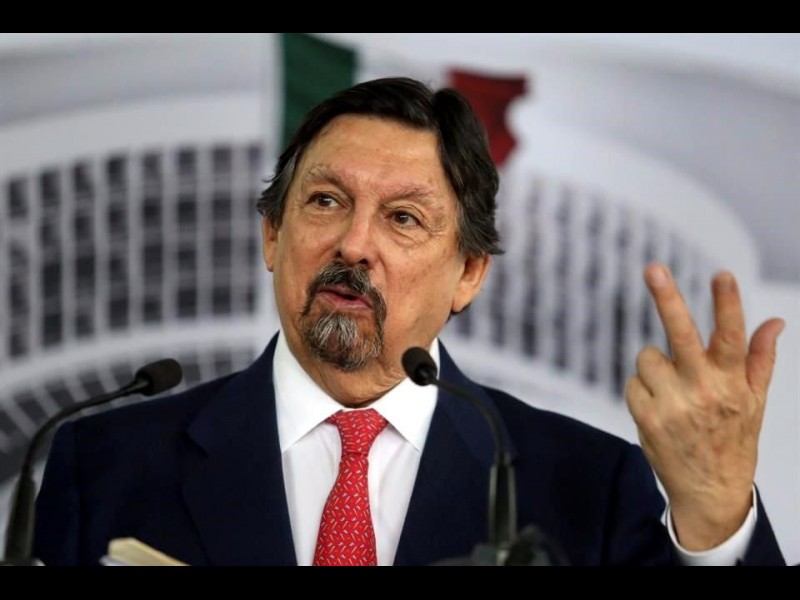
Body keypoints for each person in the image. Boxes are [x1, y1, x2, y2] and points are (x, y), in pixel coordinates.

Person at [32, 77, 786, 566]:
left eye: (403, 218)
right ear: (272, 235)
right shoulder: (102, 464)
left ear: (469, 273)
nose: (354, 244)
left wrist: (717, 520)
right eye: (326, 202)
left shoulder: (587, 485)